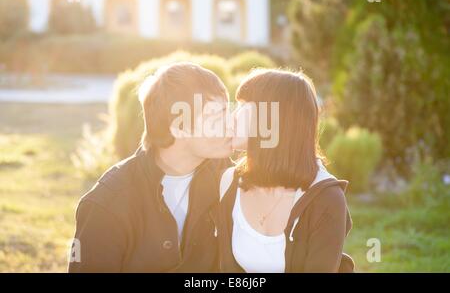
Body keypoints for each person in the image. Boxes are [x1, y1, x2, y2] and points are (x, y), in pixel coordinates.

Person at [68, 62, 232, 272]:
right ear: (179, 128)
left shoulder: (230, 179)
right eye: (215, 117)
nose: (230, 123)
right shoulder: (106, 205)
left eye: (227, 110)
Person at [218, 69, 354, 273]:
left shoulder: (326, 198)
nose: (233, 116)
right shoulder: (229, 182)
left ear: (276, 118)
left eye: (244, 106)